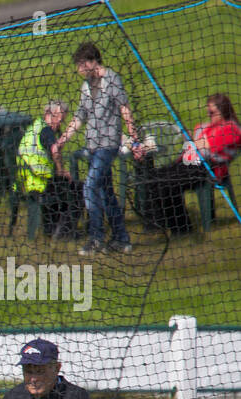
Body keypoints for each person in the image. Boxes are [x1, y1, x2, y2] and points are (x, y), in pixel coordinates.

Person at [52, 43, 141, 255]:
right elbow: (80, 116)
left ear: (92, 62)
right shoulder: (86, 86)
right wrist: (62, 139)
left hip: (108, 145)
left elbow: (124, 109)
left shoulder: (112, 80)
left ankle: (96, 237)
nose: (79, 70)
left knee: (89, 186)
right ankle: (122, 239)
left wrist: (135, 140)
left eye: (81, 65)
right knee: (106, 192)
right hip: (92, 145)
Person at [135, 93, 241, 236]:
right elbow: (192, 146)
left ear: (223, 111)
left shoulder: (231, 128)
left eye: (213, 113)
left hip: (207, 168)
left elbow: (207, 145)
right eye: (208, 112)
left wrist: (192, 140)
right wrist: (189, 137)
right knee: (155, 177)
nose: (209, 116)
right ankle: (157, 223)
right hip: (188, 163)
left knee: (167, 182)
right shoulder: (206, 127)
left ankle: (181, 229)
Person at [17, 99, 84, 239]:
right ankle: (64, 233)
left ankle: (51, 228)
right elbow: (55, 150)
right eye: (59, 118)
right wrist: (61, 170)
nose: (60, 123)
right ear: (49, 114)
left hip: (25, 182)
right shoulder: (46, 131)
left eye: (62, 119)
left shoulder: (34, 127)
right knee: (79, 188)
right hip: (40, 183)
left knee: (60, 185)